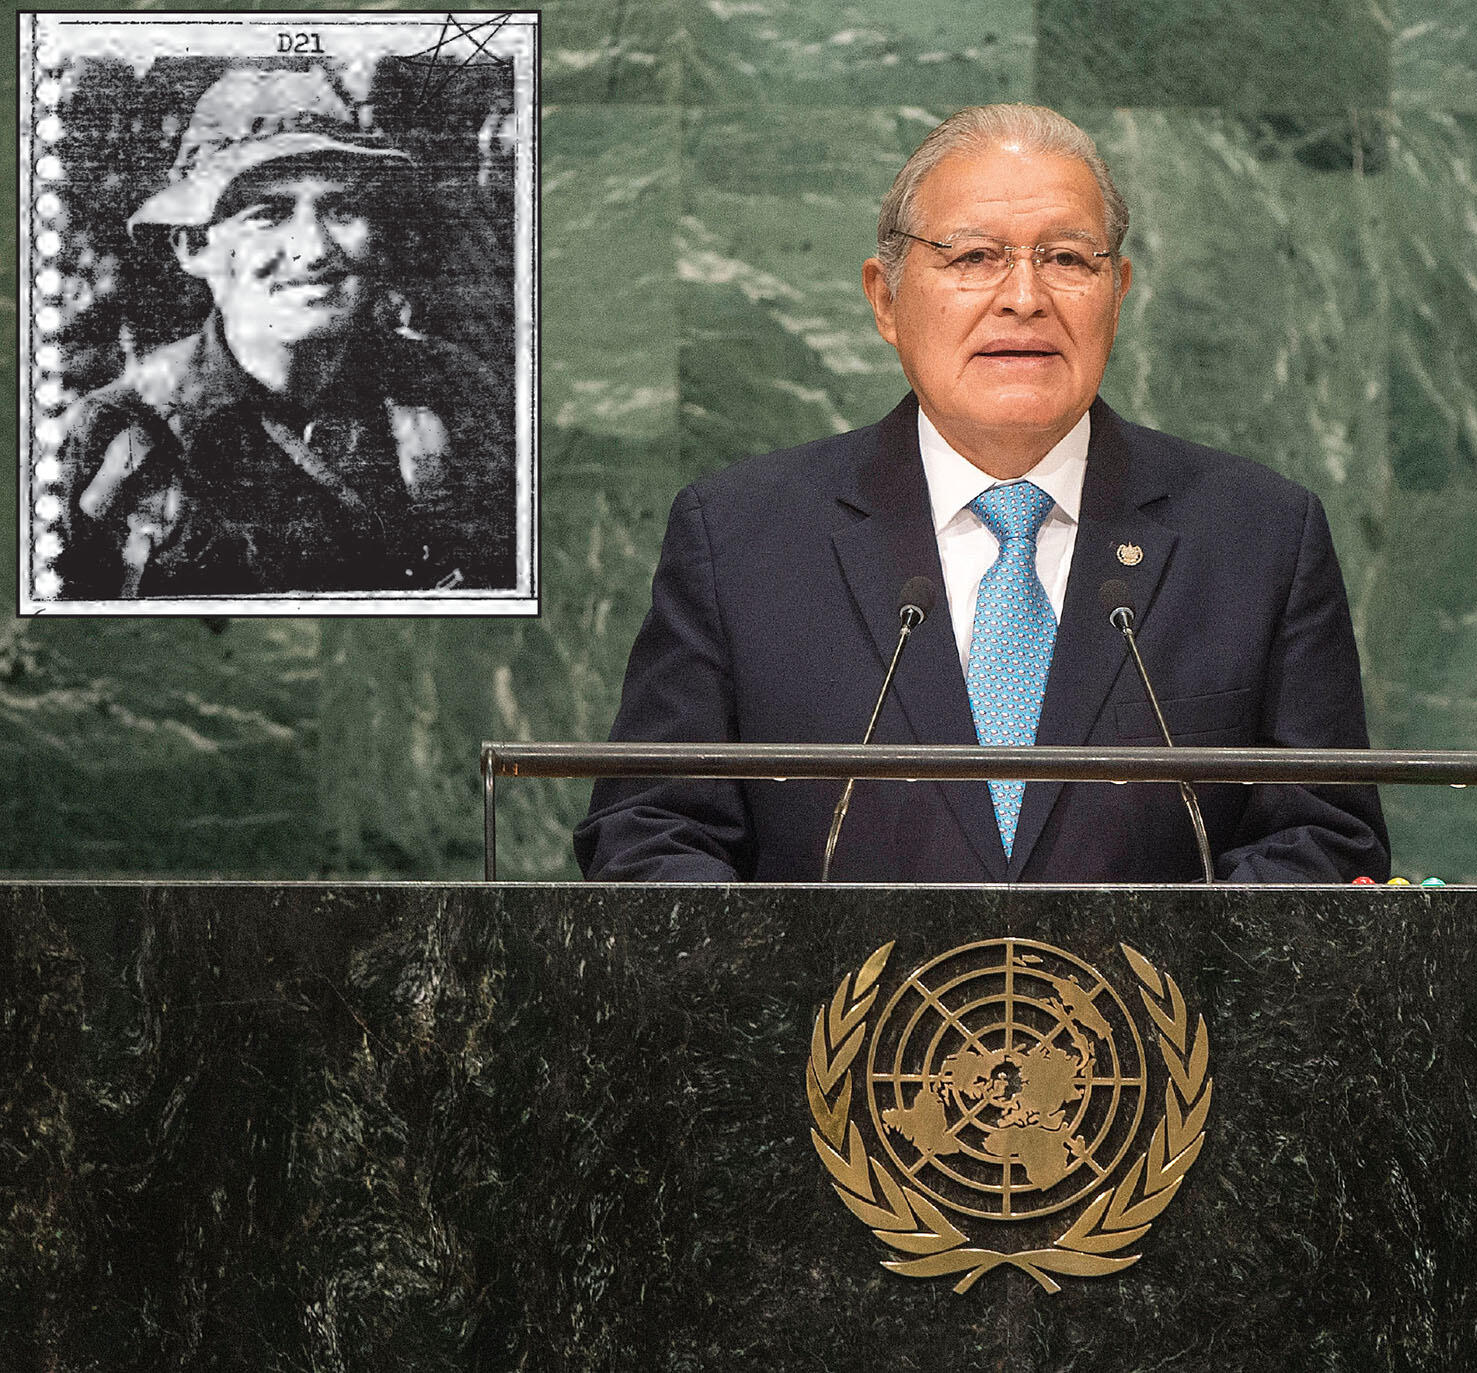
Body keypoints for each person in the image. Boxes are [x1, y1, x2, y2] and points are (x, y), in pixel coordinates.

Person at [576, 104, 1389, 883]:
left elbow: (1321, 834)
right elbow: (651, 831)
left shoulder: (1258, 538)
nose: (1025, 296)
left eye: (1069, 258)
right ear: (886, 300)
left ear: (1119, 292)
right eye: (973, 258)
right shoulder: (742, 540)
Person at [50, 67, 512, 599]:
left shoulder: (458, 396)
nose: (313, 249)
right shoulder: (115, 433)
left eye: (342, 209)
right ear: (195, 247)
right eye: (267, 214)